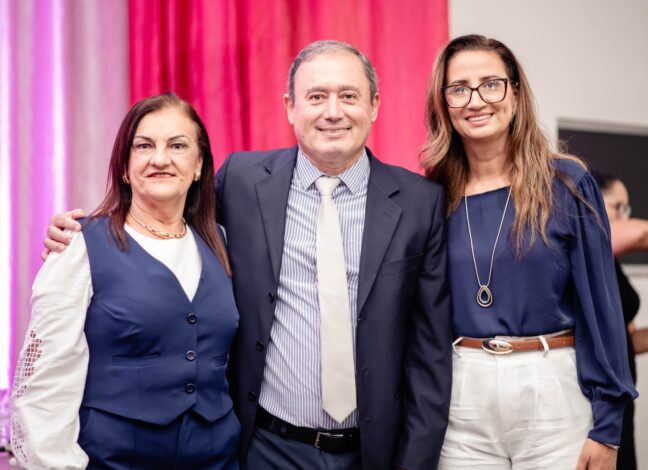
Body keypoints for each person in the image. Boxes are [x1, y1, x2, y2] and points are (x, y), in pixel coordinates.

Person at [42, 41, 454, 469]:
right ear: (290, 107)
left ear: (374, 105)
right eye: (316, 97)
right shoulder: (242, 181)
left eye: (348, 96)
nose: (332, 112)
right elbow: (166, 214)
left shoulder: (419, 203)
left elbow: (431, 357)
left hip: (373, 451)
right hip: (266, 448)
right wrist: (83, 232)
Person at [421, 34, 637, 470]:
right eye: (459, 88)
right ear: (443, 103)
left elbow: (602, 309)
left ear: (516, 94)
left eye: (491, 84)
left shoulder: (567, 183)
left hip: (552, 387)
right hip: (462, 394)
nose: (476, 100)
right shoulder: (430, 194)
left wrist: (608, 425)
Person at [13, 94, 240, 469]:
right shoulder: (79, 245)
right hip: (113, 460)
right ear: (124, 167)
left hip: (217, 459)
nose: (160, 158)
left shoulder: (223, 243)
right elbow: (46, 384)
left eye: (177, 146)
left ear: (199, 165)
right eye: (144, 146)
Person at [594, 172, 648, 470]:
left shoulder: (612, 265)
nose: (623, 217)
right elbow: (641, 234)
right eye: (618, 207)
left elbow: (629, 340)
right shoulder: (589, 247)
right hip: (598, 406)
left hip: (623, 400)